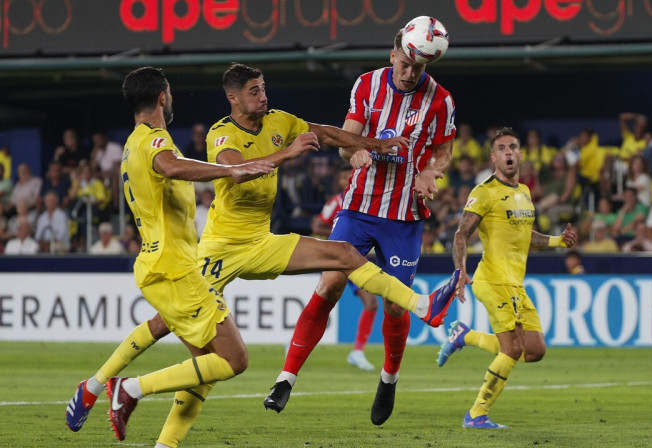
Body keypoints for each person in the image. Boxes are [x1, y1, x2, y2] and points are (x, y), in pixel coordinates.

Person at [66, 63, 459, 446]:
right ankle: (104, 387)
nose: (263, 96)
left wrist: (374, 143)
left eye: (264, 88)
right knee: (180, 339)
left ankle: (422, 304)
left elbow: (324, 133)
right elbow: (237, 169)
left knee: (343, 254)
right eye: (254, 91)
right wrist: (287, 155)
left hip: (260, 241)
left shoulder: (278, 120)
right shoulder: (217, 133)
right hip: (219, 249)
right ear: (233, 98)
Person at [63, 66, 275, 443]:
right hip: (174, 268)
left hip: (162, 263)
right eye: (171, 93)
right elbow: (172, 167)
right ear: (163, 97)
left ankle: (150, 432)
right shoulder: (155, 140)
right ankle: (128, 389)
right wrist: (232, 169)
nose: (172, 98)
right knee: (234, 359)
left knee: (204, 367)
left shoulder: (132, 142)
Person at [265, 29, 458, 427]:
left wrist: (430, 172)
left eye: (418, 67)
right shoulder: (368, 84)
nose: (409, 73)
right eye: (405, 64)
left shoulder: (440, 100)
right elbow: (345, 139)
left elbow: (444, 152)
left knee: (393, 303)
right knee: (330, 284)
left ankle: (389, 379)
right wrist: (352, 152)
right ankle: (286, 378)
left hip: (404, 217)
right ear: (393, 55)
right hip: (357, 209)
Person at [436, 127, 577, 428]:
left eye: (513, 146)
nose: (508, 152)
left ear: (521, 154)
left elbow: (526, 236)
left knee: (535, 351)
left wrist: (557, 241)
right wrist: (460, 271)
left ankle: (466, 335)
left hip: (516, 284)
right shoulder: (484, 192)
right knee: (512, 348)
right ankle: (476, 414)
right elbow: (461, 233)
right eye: (501, 148)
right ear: (493, 158)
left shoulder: (524, 193)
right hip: (491, 280)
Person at [311, 165, 380, 372]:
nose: (348, 178)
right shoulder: (336, 202)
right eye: (343, 176)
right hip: (337, 259)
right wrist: (339, 227)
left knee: (371, 303)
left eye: (350, 174)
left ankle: (357, 352)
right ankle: (296, 340)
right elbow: (317, 226)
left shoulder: (366, 200)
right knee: (322, 303)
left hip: (357, 259)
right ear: (340, 182)